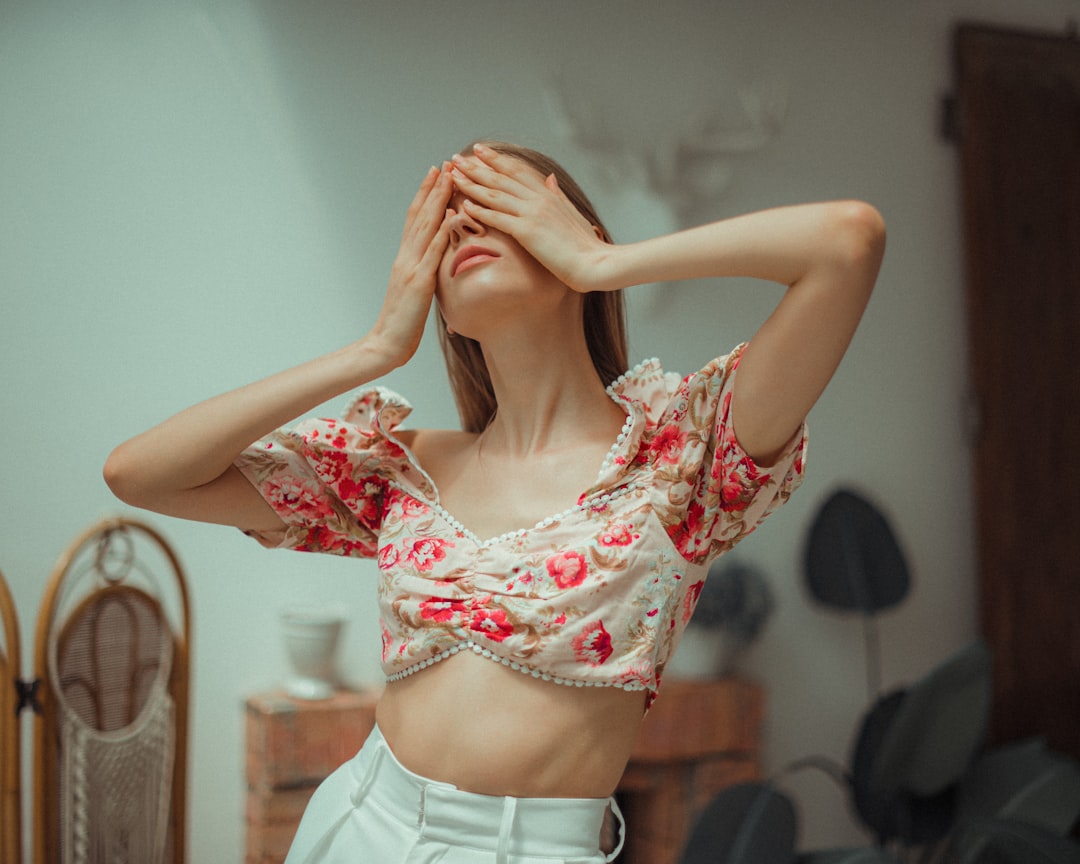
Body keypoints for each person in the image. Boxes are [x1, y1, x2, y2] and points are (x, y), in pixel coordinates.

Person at [104, 140, 885, 863]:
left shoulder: (683, 455)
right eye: (447, 228)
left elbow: (848, 243)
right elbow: (142, 474)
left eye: (501, 207)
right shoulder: (400, 470)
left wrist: (603, 260)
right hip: (358, 823)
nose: (466, 227)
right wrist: (374, 348)